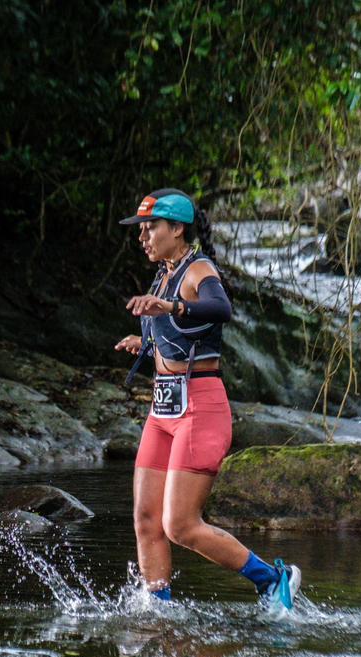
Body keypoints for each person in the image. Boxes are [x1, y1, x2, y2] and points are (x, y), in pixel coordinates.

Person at [114, 187, 298, 607]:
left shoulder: (199, 270)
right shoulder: (163, 274)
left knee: (179, 525)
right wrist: (141, 344)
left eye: (150, 228)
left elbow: (220, 309)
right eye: (140, 230)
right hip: (163, 409)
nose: (143, 238)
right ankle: (160, 612)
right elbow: (173, 339)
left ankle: (272, 579)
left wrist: (173, 308)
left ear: (177, 228)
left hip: (201, 408)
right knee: (146, 520)